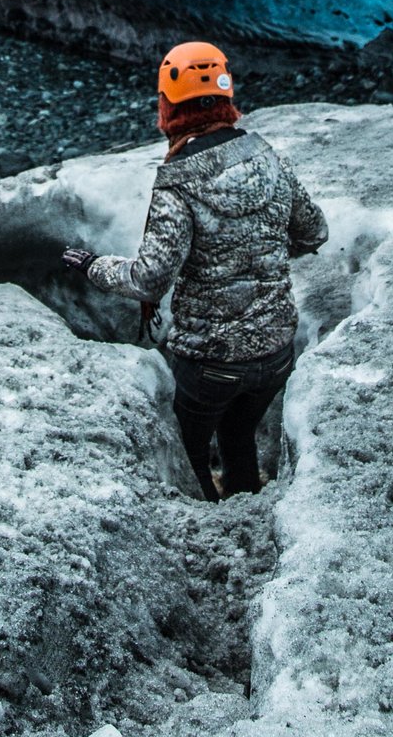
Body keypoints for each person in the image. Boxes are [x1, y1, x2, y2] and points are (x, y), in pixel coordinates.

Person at [61, 42, 328, 501]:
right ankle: (245, 492)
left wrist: (93, 266)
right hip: (276, 353)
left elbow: (149, 279)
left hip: (210, 363)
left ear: (167, 106)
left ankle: (210, 510)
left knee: (189, 452)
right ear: (227, 98)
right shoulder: (266, 155)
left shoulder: (177, 181)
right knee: (240, 431)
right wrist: (257, 250)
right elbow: (314, 231)